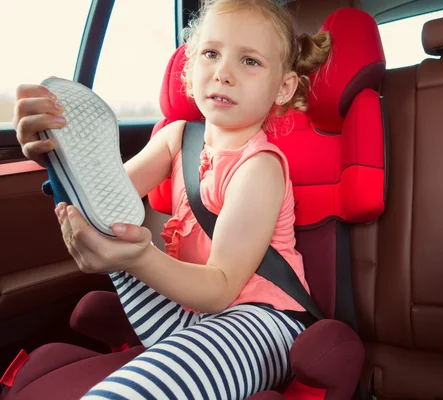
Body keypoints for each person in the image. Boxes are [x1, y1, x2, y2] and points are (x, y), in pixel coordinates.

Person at [12, 0, 331, 398]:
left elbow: (220, 290)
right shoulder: (177, 136)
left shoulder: (260, 167)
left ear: (283, 87)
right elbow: (101, 203)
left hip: (261, 322)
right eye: (211, 54)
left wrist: (137, 256)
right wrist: (55, 155)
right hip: (193, 312)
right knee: (112, 226)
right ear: (190, 67)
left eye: (249, 61)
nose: (224, 73)